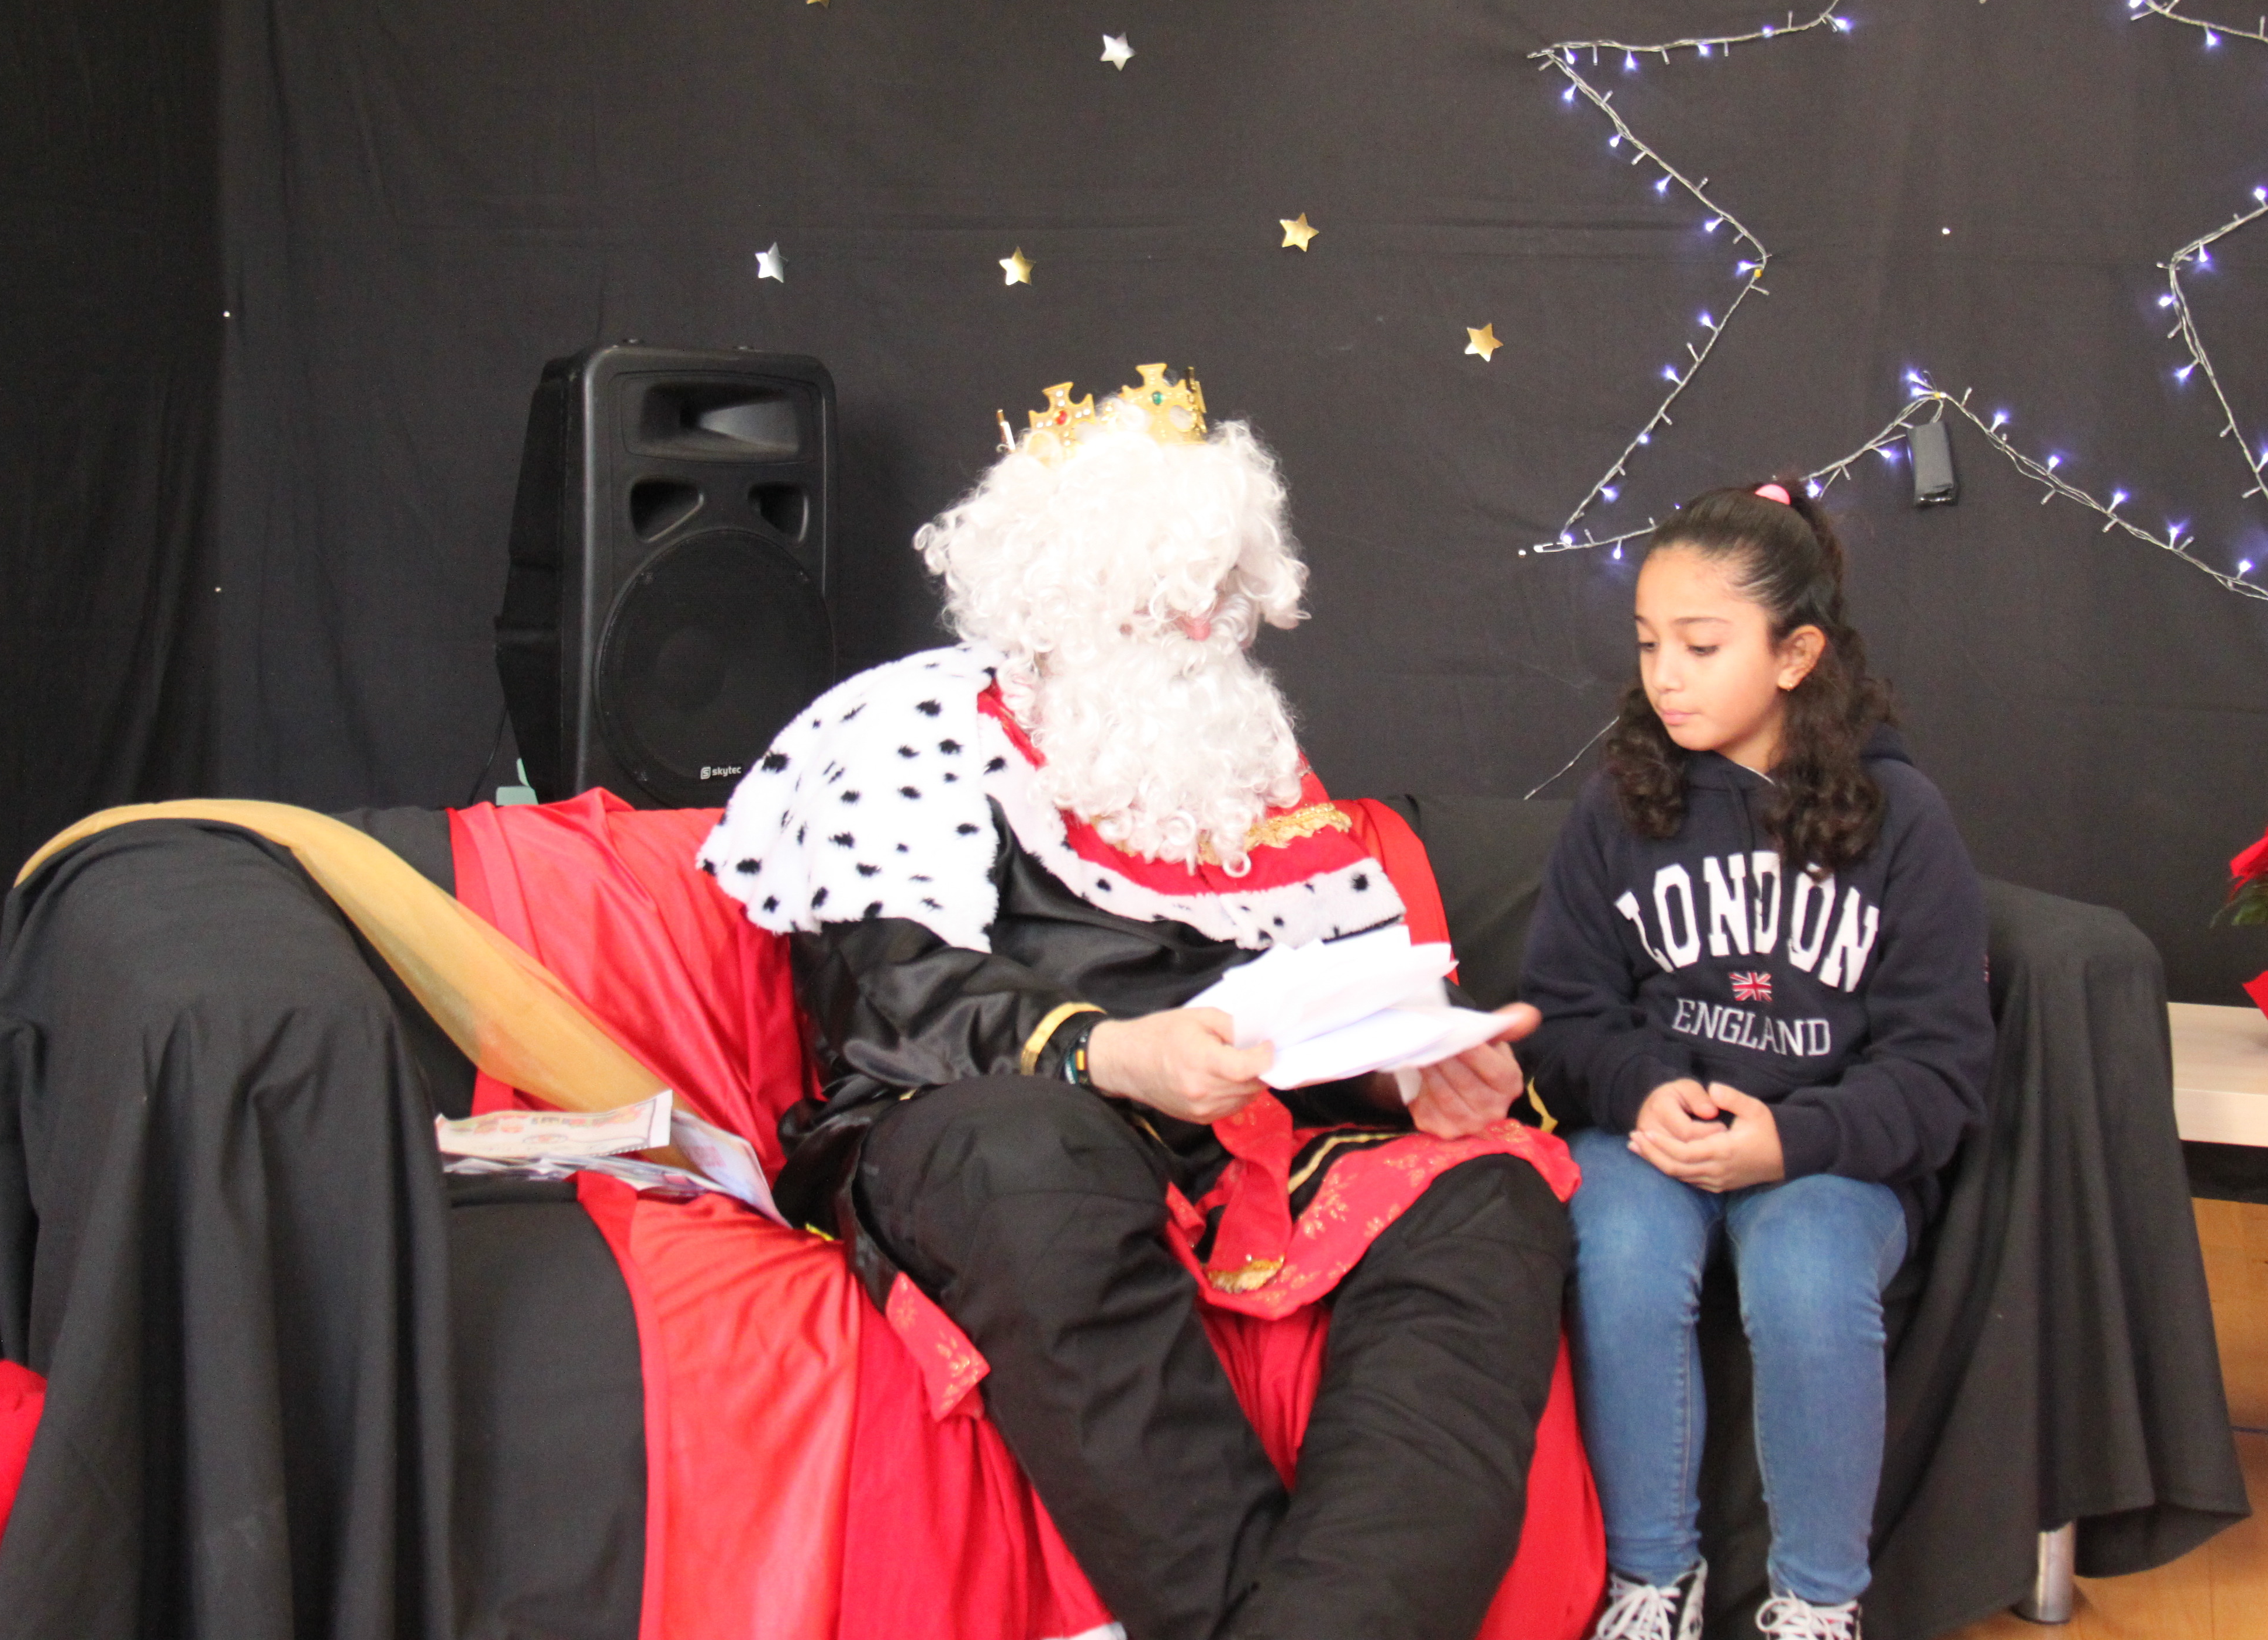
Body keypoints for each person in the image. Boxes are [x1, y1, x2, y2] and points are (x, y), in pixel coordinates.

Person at [694, 366, 1581, 1640]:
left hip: (1236, 1139)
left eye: (1220, 585)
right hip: (986, 1117)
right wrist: (1112, 1055)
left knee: (1490, 1193)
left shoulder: (1251, 759)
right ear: (1051, 587)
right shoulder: (909, 726)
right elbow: (888, 993)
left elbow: (1340, 982)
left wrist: (1415, 1070)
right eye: (1160, 586)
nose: (1201, 619)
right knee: (1030, 1152)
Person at [1517, 483, 1994, 1640]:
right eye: (1648, 645)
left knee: (1806, 1271)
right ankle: (1652, 1583)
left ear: (1795, 655)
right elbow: (1563, 1015)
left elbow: (1941, 1071)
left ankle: (1819, 1604)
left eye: (1701, 646)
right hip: (1654, 1139)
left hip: (1828, 1155)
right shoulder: (1618, 806)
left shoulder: (1902, 818)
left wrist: (1795, 1139)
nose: (1665, 677)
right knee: (1617, 1246)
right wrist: (1641, 1087)